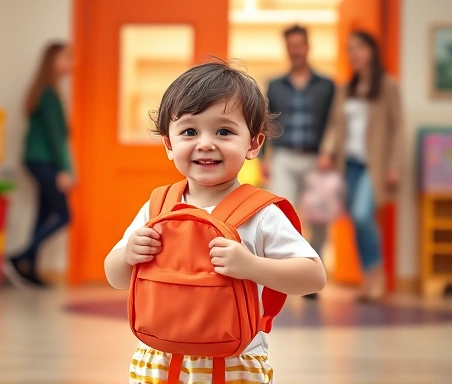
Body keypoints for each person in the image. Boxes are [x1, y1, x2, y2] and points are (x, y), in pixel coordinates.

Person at [104, 61, 326, 383]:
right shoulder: (158, 207)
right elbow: (116, 278)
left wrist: (251, 266)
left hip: (234, 363)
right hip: (158, 360)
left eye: (224, 131)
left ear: (253, 144)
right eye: (190, 131)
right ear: (169, 143)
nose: (205, 143)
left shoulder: (260, 213)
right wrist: (127, 255)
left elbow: (313, 277)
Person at [318, 31, 403, 301]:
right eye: (349, 49)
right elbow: (334, 125)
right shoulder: (346, 88)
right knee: (356, 220)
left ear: (371, 51)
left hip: (374, 165)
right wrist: (327, 152)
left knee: (363, 216)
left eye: (358, 48)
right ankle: (368, 280)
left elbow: (397, 128)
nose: (353, 54)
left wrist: (394, 165)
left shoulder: (388, 86)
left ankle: (378, 276)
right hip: (349, 164)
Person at [263, 25, 335, 299]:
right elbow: (265, 121)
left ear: (307, 46)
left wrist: (329, 152)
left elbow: (334, 123)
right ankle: (288, 275)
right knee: (283, 217)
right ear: (287, 49)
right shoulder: (275, 85)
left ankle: (312, 277)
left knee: (319, 219)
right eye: (290, 45)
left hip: (318, 160)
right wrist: (262, 157)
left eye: (299, 45)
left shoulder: (327, 85)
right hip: (283, 157)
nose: (295, 50)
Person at [6, 42, 75, 287]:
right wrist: (65, 170)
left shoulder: (45, 91)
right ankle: (18, 257)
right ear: (53, 61)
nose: (72, 63)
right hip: (44, 160)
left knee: (44, 213)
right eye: (67, 58)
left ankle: (29, 270)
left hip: (36, 159)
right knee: (65, 215)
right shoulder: (49, 95)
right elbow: (56, 138)